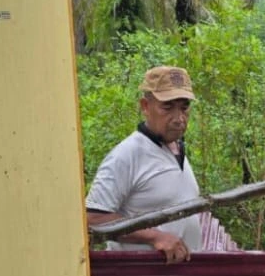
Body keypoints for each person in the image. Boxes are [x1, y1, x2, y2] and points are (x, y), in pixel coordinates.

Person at [86, 66, 202, 261]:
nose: (178, 118)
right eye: (167, 107)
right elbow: (93, 219)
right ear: (145, 106)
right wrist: (155, 237)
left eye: (184, 107)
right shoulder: (127, 155)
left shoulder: (176, 149)